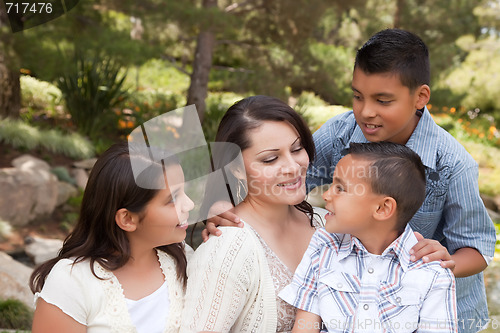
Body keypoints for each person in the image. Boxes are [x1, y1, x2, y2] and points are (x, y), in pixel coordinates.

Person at [206, 29, 496, 333]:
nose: (366, 111)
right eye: (357, 96)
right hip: (357, 301)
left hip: (436, 310)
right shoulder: (340, 134)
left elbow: (477, 248)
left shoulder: (453, 163)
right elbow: (286, 175)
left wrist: (444, 260)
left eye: (383, 100)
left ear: (420, 97)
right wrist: (220, 199)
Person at [180, 95, 328, 332]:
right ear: (236, 168)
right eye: (270, 159)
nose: (292, 167)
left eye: (297, 149)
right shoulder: (227, 248)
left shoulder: (325, 223)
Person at [279, 142, 457, 332]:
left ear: (382, 208)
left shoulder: (433, 274)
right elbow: (305, 326)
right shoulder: (324, 245)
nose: (327, 195)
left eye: (340, 188)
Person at [29, 142, 194, 333]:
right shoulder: (72, 281)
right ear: (127, 219)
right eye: (173, 199)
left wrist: (224, 228)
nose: (189, 204)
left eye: (184, 191)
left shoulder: (183, 258)